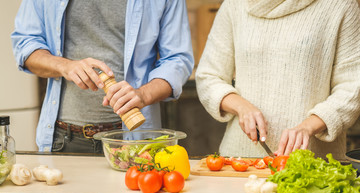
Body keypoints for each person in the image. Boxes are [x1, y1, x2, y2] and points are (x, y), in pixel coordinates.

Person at [11, 0, 194, 153]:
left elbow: (177, 59)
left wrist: (143, 94)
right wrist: (65, 66)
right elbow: (26, 42)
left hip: (133, 141)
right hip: (63, 139)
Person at [195, 0, 360, 160]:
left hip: (313, 161)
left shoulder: (341, 5)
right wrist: (241, 107)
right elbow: (208, 76)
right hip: (242, 159)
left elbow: (352, 87)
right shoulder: (234, 5)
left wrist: (308, 127)